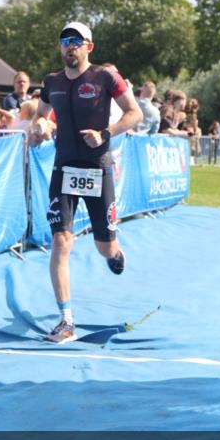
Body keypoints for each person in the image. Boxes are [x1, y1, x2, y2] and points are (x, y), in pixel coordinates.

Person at [32, 21, 142, 344]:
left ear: (89, 46)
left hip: (98, 168)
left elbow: (135, 113)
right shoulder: (50, 81)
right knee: (61, 242)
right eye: (65, 40)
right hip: (63, 168)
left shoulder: (106, 77)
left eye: (76, 41)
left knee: (103, 247)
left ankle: (116, 253)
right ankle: (66, 320)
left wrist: (105, 134)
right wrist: (41, 126)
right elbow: (42, 113)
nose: (70, 46)